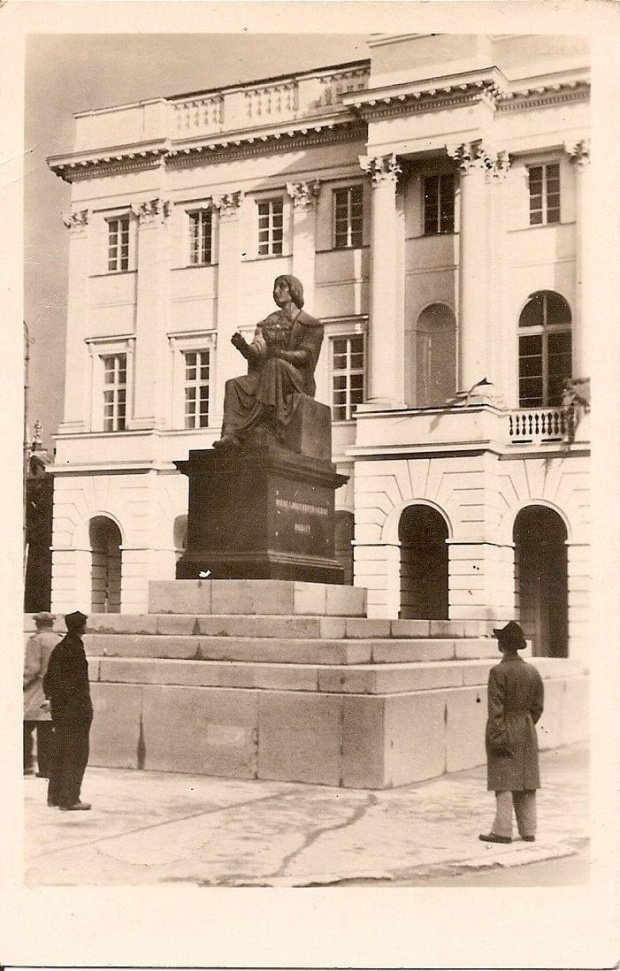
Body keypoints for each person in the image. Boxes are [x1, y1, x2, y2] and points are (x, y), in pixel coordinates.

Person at [214, 275, 324, 448]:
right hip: (268, 376)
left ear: (294, 290)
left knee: (275, 365)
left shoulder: (310, 324)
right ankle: (231, 434)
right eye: (275, 287)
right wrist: (243, 346)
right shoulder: (267, 322)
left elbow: (306, 356)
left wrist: (280, 354)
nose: (276, 291)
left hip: (296, 379)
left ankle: (270, 425)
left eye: (281, 286)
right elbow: (257, 350)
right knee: (233, 384)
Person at [479, 621, 544, 844]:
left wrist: (497, 735)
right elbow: (538, 707)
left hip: (505, 725)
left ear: (501, 646)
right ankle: (528, 830)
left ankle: (503, 830)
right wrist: (525, 723)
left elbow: (495, 708)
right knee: (527, 780)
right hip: (526, 728)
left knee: (504, 779)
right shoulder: (532, 671)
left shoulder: (497, 672)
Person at [43, 610, 93, 811]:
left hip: (61, 710)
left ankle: (55, 796)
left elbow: (49, 679)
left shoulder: (61, 646)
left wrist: (53, 700)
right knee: (76, 753)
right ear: (80, 627)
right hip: (76, 711)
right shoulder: (76, 648)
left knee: (60, 750)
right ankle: (70, 798)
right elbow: (77, 683)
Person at [23, 612, 60, 778]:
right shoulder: (60, 639)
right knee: (46, 731)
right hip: (55, 690)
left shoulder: (36, 641)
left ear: (37, 624)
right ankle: (46, 768)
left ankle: (25, 765)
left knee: (24, 727)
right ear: (51, 624)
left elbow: (32, 669)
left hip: (36, 690)